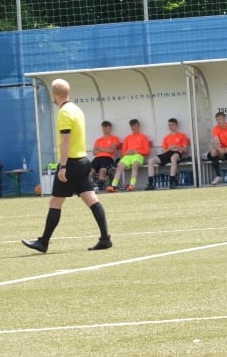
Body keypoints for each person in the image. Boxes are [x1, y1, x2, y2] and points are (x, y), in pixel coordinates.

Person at [22, 78, 111, 253]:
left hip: (70, 163)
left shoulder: (64, 113)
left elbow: (65, 141)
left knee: (55, 201)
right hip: (83, 161)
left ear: (54, 94)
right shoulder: (77, 109)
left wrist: (62, 167)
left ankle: (43, 242)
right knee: (91, 199)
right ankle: (105, 239)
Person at [112, 118, 152, 191]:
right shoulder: (127, 138)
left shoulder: (143, 137)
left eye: (135, 126)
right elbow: (123, 152)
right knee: (119, 166)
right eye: (132, 126)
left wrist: (136, 151)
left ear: (138, 126)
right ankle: (113, 186)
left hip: (138, 155)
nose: (133, 128)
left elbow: (147, 151)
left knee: (135, 165)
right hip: (128, 156)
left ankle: (132, 185)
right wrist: (127, 152)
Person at [155, 118, 190, 188]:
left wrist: (177, 147)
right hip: (168, 154)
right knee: (151, 161)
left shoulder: (182, 135)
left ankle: (171, 181)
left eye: (172, 125)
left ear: (176, 125)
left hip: (177, 154)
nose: (170, 127)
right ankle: (150, 183)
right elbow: (163, 151)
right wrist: (169, 148)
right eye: (169, 125)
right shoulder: (166, 137)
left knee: (173, 158)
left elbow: (185, 150)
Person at [90, 120, 122, 189]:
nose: (104, 128)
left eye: (106, 126)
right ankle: (86, 184)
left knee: (103, 169)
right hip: (97, 158)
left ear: (110, 128)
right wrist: (106, 149)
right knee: (90, 170)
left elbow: (112, 150)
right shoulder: (98, 140)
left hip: (108, 158)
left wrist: (100, 149)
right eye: (103, 127)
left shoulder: (114, 138)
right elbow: (94, 152)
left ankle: (100, 183)